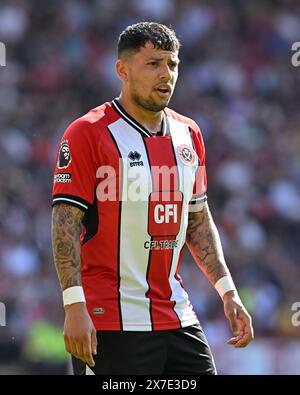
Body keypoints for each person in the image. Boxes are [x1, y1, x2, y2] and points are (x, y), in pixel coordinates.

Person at [51, 22, 254, 375]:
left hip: (176, 315)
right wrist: (73, 306)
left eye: (172, 65)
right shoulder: (88, 132)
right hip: (110, 321)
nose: (166, 75)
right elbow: (65, 221)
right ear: (122, 70)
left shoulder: (188, 133)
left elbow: (198, 219)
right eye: (154, 64)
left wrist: (228, 291)